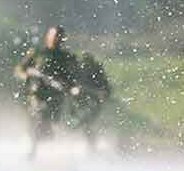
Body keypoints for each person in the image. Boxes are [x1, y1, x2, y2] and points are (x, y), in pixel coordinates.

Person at [14, 25, 79, 157]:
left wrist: (72, 87)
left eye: (59, 37)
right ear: (48, 37)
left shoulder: (66, 57)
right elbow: (19, 70)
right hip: (36, 93)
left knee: (49, 123)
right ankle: (32, 150)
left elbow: (71, 78)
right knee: (39, 115)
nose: (56, 39)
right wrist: (29, 75)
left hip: (56, 95)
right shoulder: (37, 53)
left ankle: (42, 146)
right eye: (54, 36)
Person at [68, 51, 112, 149]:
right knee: (82, 120)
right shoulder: (78, 70)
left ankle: (90, 142)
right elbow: (70, 84)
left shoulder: (96, 70)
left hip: (92, 100)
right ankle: (83, 138)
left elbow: (105, 87)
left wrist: (101, 93)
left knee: (88, 122)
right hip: (80, 100)